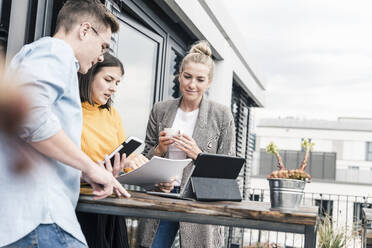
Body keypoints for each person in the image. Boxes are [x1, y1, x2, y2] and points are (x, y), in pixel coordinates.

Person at [0, 1, 129, 247]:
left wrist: (84, 171)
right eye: (102, 45)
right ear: (84, 30)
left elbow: (29, 131)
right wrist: (90, 167)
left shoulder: (40, 56)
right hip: (40, 218)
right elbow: (31, 117)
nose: (101, 55)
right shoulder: (55, 51)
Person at [136, 40, 236, 248]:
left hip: (197, 200)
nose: (192, 85)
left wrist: (199, 155)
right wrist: (160, 149)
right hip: (162, 196)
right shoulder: (160, 110)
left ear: (209, 83)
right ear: (179, 75)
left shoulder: (222, 115)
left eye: (200, 79)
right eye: (187, 77)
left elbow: (229, 169)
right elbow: (143, 160)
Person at [77, 52, 147, 248]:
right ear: (89, 74)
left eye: (117, 83)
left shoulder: (111, 114)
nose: (113, 88)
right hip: (82, 202)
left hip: (110, 201)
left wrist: (132, 162)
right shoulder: (72, 110)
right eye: (108, 80)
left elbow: (120, 154)